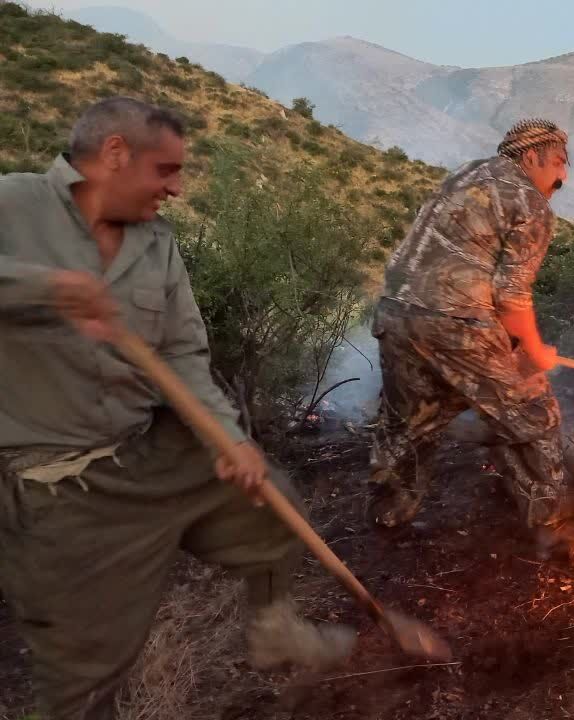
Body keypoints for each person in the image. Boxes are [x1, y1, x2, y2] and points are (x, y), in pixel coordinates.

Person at [0, 96, 356, 720]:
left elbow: (184, 352)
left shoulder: (156, 243)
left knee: (267, 504)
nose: (177, 188)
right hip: (55, 482)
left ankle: (274, 628)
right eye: (165, 170)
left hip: (148, 445)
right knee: (86, 668)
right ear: (115, 154)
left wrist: (227, 436)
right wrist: (44, 288)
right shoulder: (13, 203)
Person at [369, 118, 571, 533]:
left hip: (394, 313)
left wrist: (513, 343)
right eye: (558, 162)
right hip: (455, 324)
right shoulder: (529, 201)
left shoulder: (465, 174)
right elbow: (512, 297)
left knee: (410, 422)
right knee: (534, 413)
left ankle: (389, 513)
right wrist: (535, 352)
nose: (562, 176)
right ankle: (547, 526)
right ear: (531, 157)